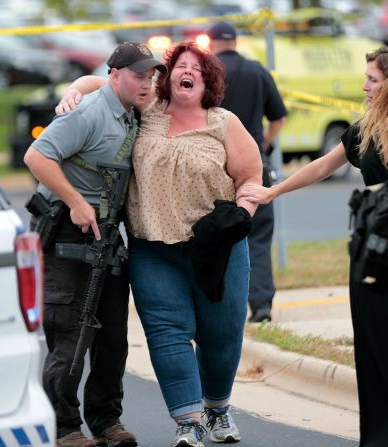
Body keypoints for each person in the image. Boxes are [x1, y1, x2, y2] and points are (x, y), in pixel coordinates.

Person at [56, 41, 262, 447]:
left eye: (197, 69)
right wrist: (73, 90)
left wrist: (242, 214)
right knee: (167, 333)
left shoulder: (224, 123)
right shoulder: (147, 110)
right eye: (179, 67)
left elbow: (251, 179)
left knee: (221, 337)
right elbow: (99, 81)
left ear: (209, 82)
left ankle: (218, 409)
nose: (188, 72)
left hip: (216, 250)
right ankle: (188, 422)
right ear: (167, 78)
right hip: (153, 248)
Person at [238, 46, 388, 446]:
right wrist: (274, 191)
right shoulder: (366, 128)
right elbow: (323, 165)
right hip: (372, 250)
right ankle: (383, 436)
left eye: (373, 79)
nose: (365, 86)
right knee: (374, 345)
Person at [24, 42, 166, 447]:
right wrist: (74, 202)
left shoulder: (134, 107)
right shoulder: (86, 112)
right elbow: (37, 156)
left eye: (151, 75)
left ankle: (106, 422)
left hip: (106, 235)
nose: (148, 83)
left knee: (112, 338)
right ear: (116, 75)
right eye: (139, 75)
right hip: (69, 232)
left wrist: (78, 83)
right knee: (69, 332)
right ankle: (64, 427)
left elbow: (94, 80)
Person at [208, 21, 288, 323]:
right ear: (235, 41)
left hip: (215, 169)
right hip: (255, 169)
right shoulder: (257, 70)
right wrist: (263, 146)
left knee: (215, 237)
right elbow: (278, 118)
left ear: (212, 42)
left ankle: (222, 308)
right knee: (258, 236)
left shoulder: (206, 73)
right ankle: (262, 305)